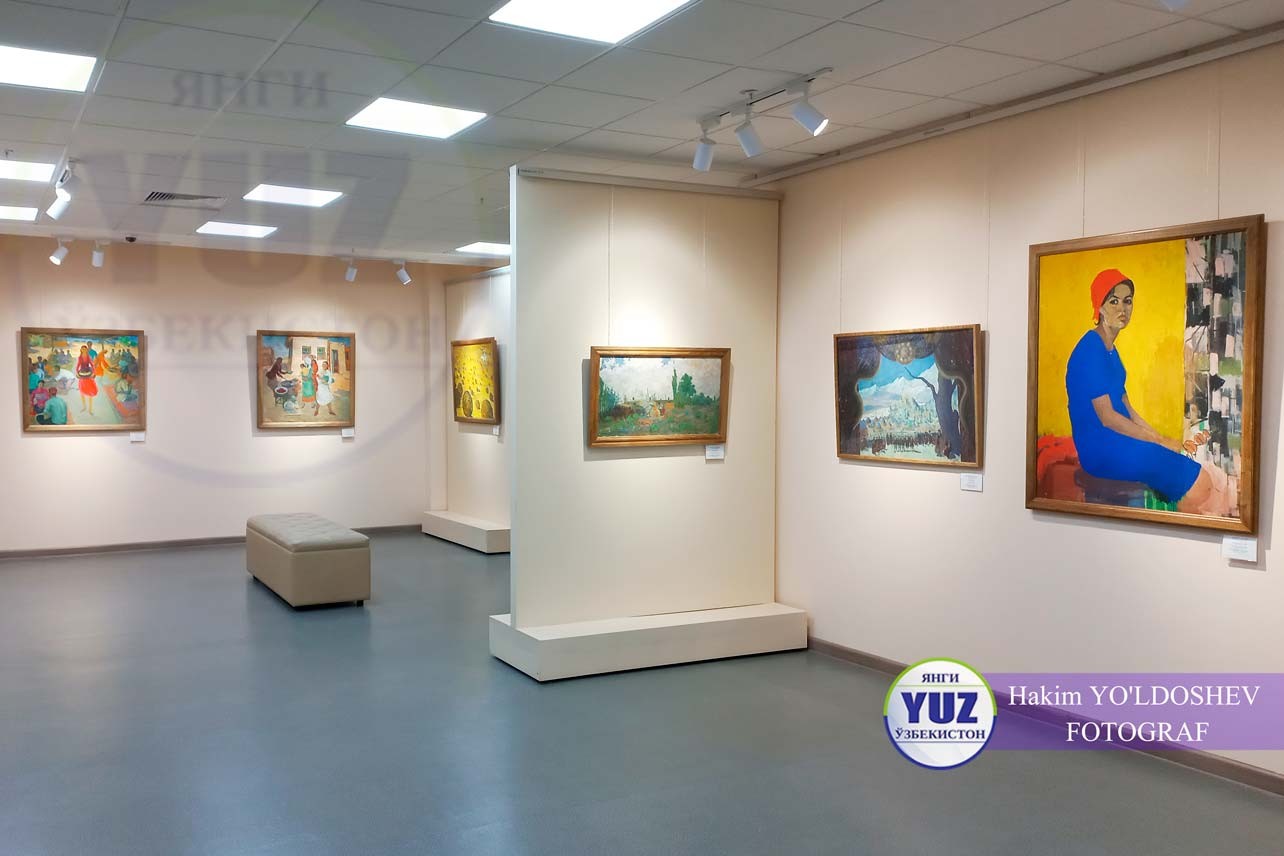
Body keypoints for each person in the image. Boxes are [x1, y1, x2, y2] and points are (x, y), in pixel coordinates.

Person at [1066, 268, 1232, 516]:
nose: (1122, 309)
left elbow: (1127, 408)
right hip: (1100, 449)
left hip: (1119, 440)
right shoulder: (1090, 349)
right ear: (1099, 307)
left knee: (1189, 472)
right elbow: (1108, 417)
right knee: (1196, 481)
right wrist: (1157, 441)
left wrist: (1157, 436)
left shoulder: (1111, 351)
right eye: (1113, 301)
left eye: (1127, 301)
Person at [75, 344, 97, 415]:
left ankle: (90, 410)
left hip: (88, 373)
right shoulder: (80, 357)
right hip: (82, 374)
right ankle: (84, 407)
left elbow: (92, 365)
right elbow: (78, 365)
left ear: (86, 350)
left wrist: (94, 372)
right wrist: (77, 372)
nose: (84, 350)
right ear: (81, 350)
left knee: (90, 392)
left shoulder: (88, 356)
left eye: (85, 349)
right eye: (83, 349)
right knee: (82, 392)